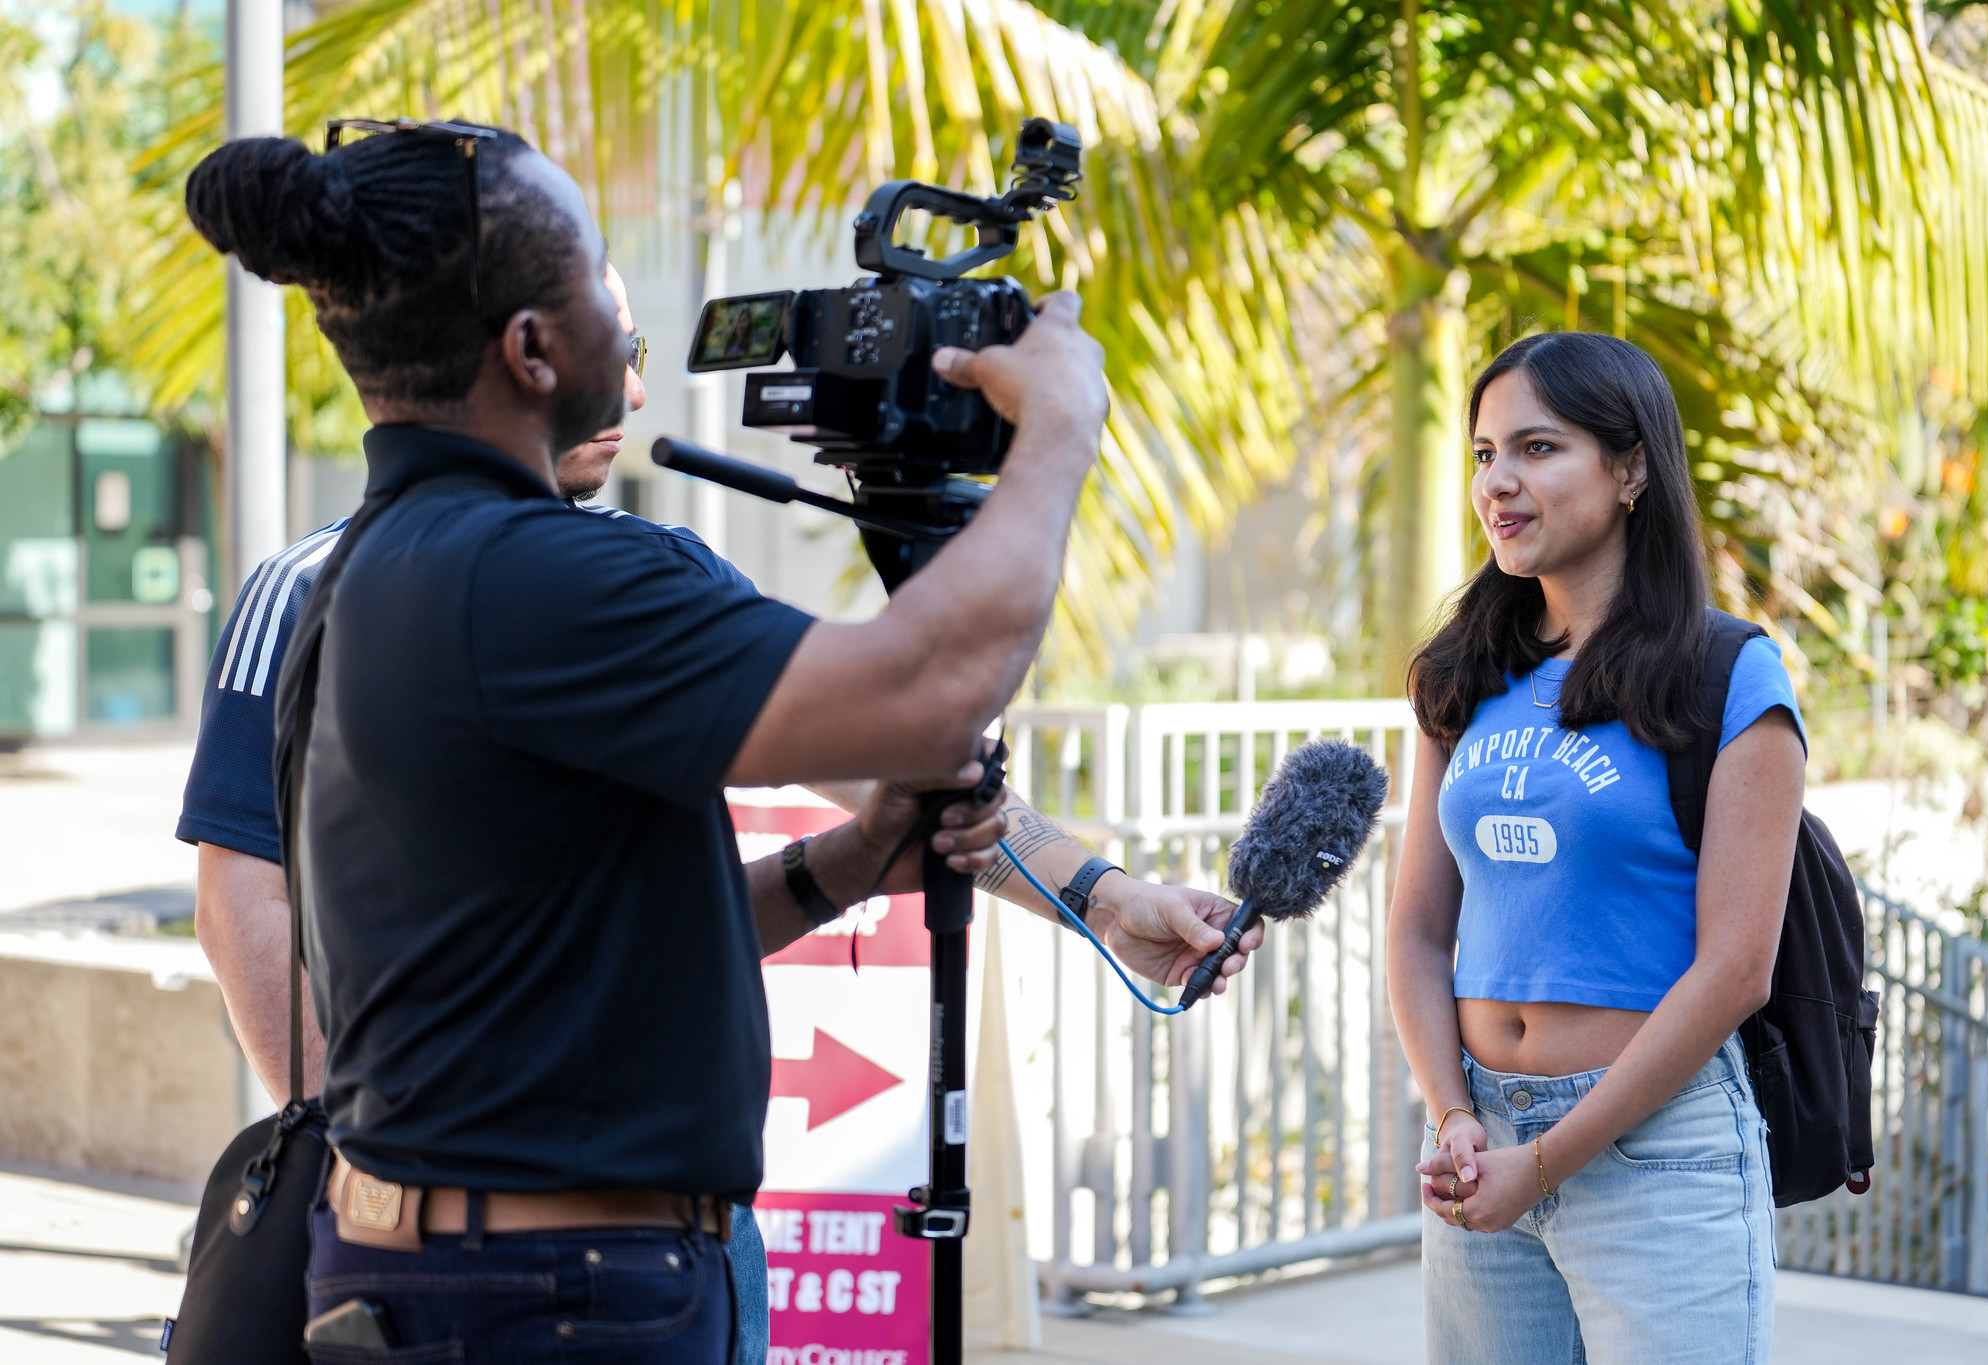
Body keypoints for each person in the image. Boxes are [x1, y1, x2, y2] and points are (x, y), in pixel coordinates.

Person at [179, 122, 1258, 1363]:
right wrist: (1058, 423)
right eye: (596, 283)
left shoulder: (393, 563)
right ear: (530, 351)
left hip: (499, 1267)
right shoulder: (532, 578)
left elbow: (597, 948)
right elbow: (923, 692)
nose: (634, 367)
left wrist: (887, 869)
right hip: (552, 1290)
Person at [1387, 331, 1805, 1363]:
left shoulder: (1727, 676)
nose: (1498, 482)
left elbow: (1734, 971)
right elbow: (1413, 931)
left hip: (1655, 1154)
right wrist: (1454, 1122)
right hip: (1478, 1147)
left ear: (1629, 470)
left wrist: (1549, 1161)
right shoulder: (1461, 675)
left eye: (1536, 449)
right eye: (1484, 455)